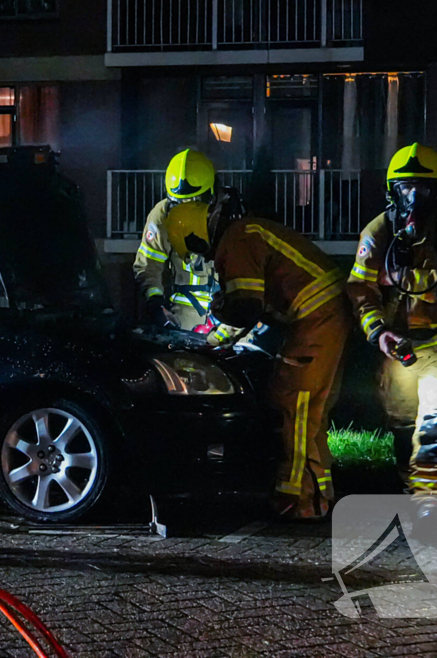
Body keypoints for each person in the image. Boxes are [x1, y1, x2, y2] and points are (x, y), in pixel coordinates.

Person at [166, 198, 350, 519]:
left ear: (195, 235)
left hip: (314, 318)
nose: (200, 255)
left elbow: (247, 308)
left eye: (194, 249)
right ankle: (320, 495)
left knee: (293, 403)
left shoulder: (235, 240)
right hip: (326, 315)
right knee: (311, 412)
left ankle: (296, 501)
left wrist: (210, 340)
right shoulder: (246, 231)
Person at [346, 143, 437, 502]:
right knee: (402, 425)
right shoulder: (378, 231)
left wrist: (403, 276)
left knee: (435, 423)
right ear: (393, 190)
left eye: (423, 187)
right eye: (406, 187)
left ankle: (432, 502)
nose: (414, 195)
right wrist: (378, 330)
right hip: (397, 346)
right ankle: (411, 489)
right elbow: (360, 289)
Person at [133, 149, 233, 340]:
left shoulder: (229, 214)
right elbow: (148, 266)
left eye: (193, 201)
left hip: (229, 319)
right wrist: (155, 302)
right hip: (183, 321)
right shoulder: (162, 214)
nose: (185, 208)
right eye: (179, 202)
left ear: (211, 194)